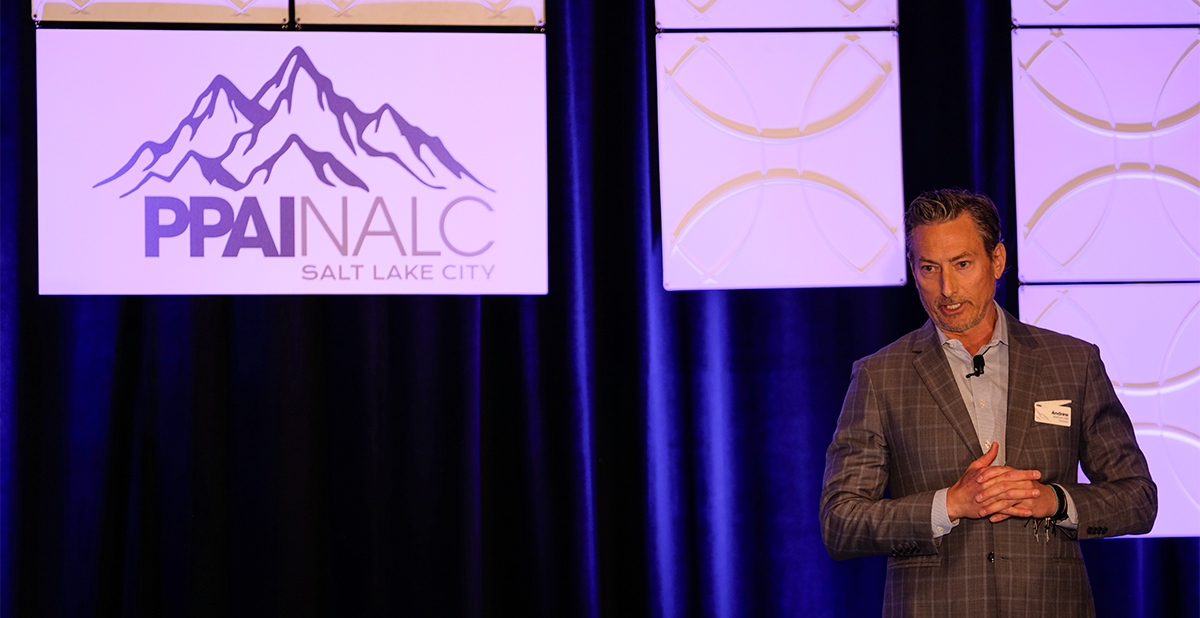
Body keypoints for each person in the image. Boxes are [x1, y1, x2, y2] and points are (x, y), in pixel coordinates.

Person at [819, 189, 1156, 617]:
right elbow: (840, 522)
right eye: (929, 268)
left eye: (962, 264)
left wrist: (1055, 501)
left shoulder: (1072, 362)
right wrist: (949, 505)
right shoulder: (880, 375)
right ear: (913, 269)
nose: (946, 289)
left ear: (996, 260)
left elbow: (1138, 499)